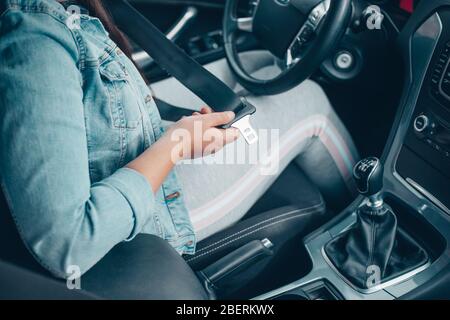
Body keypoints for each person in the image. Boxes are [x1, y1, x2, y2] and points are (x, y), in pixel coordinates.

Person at [0, 0, 359, 278]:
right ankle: (363, 235)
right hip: (145, 218)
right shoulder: (33, 39)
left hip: (126, 146)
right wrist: (176, 145)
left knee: (261, 64)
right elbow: (69, 243)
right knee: (309, 101)